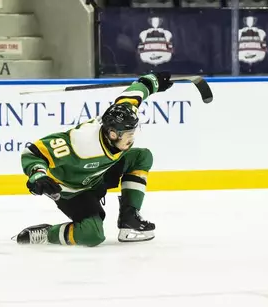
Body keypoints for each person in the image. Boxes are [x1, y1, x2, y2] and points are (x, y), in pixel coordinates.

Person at [14, 72, 174, 246]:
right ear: (113, 134)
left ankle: (129, 217)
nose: (132, 138)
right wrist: (38, 175)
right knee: (92, 235)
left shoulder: (121, 118)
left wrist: (152, 82)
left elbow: (132, 94)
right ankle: (47, 234)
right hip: (73, 191)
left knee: (142, 156)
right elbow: (33, 153)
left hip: (98, 175)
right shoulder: (82, 142)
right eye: (129, 134)